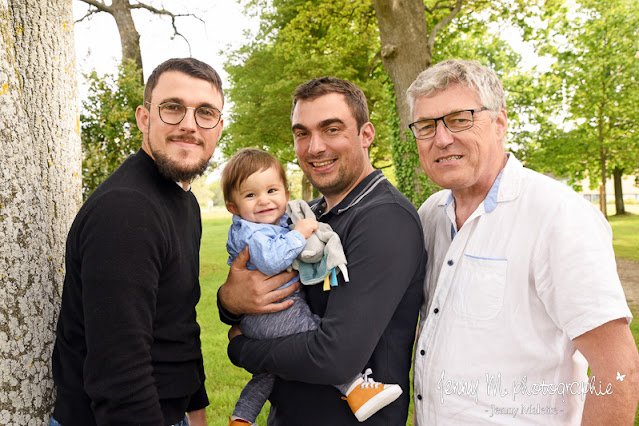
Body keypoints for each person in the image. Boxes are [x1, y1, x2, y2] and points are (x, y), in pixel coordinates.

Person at [407, 59, 639, 425]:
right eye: (425, 125)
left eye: (459, 119)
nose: (442, 138)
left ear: (499, 123)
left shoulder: (558, 215)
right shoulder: (430, 215)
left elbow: (619, 371)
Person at [218, 77, 426, 425]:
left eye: (331, 129)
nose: (314, 147)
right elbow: (254, 280)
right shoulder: (306, 216)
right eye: (302, 133)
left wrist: (241, 349)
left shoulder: (385, 219)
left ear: (366, 134)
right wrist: (230, 301)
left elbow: (336, 357)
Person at [50, 57, 227, 426]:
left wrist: (196, 411)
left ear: (219, 128)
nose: (189, 125)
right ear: (145, 118)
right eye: (173, 108)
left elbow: (178, 324)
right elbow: (119, 375)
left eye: (205, 113)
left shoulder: (184, 201)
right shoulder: (126, 211)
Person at [221, 148, 403, 425]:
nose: (264, 201)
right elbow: (270, 262)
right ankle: (355, 389)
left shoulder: (382, 215)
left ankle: (242, 417)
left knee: (267, 373)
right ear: (233, 207)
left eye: (272, 190)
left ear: (286, 192)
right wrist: (299, 234)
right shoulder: (255, 232)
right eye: (250, 195)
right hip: (276, 313)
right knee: (312, 330)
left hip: (261, 317)